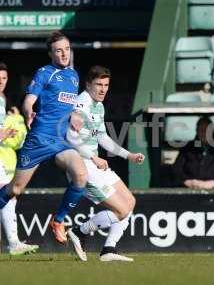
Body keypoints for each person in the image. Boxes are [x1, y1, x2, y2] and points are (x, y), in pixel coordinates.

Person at [0, 32, 88, 245]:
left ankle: (58, 221)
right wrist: (29, 111)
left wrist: (75, 115)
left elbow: (71, 106)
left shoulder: (74, 76)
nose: (64, 53)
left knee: (81, 176)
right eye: (59, 50)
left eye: (67, 49)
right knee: (15, 189)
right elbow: (29, 100)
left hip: (60, 141)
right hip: (39, 139)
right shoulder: (44, 73)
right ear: (51, 54)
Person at [66, 66, 145, 262]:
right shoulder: (80, 104)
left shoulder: (98, 106)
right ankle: (79, 231)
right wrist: (93, 157)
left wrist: (129, 155)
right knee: (121, 210)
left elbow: (102, 137)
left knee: (130, 202)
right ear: (88, 84)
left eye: (106, 85)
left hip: (94, 164)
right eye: (98, 84)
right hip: (81, 166)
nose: (103, 89)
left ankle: (108, 249)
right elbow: (70, 138)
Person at [0, 63, 39, 255]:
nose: (1, 82)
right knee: (8, 195)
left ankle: (13, 242)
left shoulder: (2, 99)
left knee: (9, 195)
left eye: (4, 78)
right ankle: (13, 242)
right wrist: (3, 134)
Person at [173, 117, 214, 189]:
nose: (204, 133)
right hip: (189, 190)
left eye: (207, 130)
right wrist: (187, 182)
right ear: (196, 131)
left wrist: (213, 183)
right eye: (201, 130)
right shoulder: (187, 149)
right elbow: (176, 170)